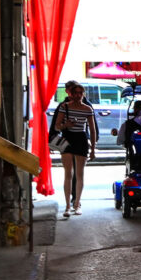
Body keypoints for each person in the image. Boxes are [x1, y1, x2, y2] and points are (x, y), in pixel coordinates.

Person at [50, 80, 95, 217]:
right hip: (68, 139)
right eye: (75, 93)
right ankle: (68, 206)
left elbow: (92, 130)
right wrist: (66, 125)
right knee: (68, 174)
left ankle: (77, 204)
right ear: (71, 93)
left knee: (79, 174)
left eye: (80, 93)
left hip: (81, 139)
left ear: (83, 94)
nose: (78, 95)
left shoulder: (88, 109)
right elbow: (57, 126)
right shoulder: (65, 106)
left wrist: (93, 148)